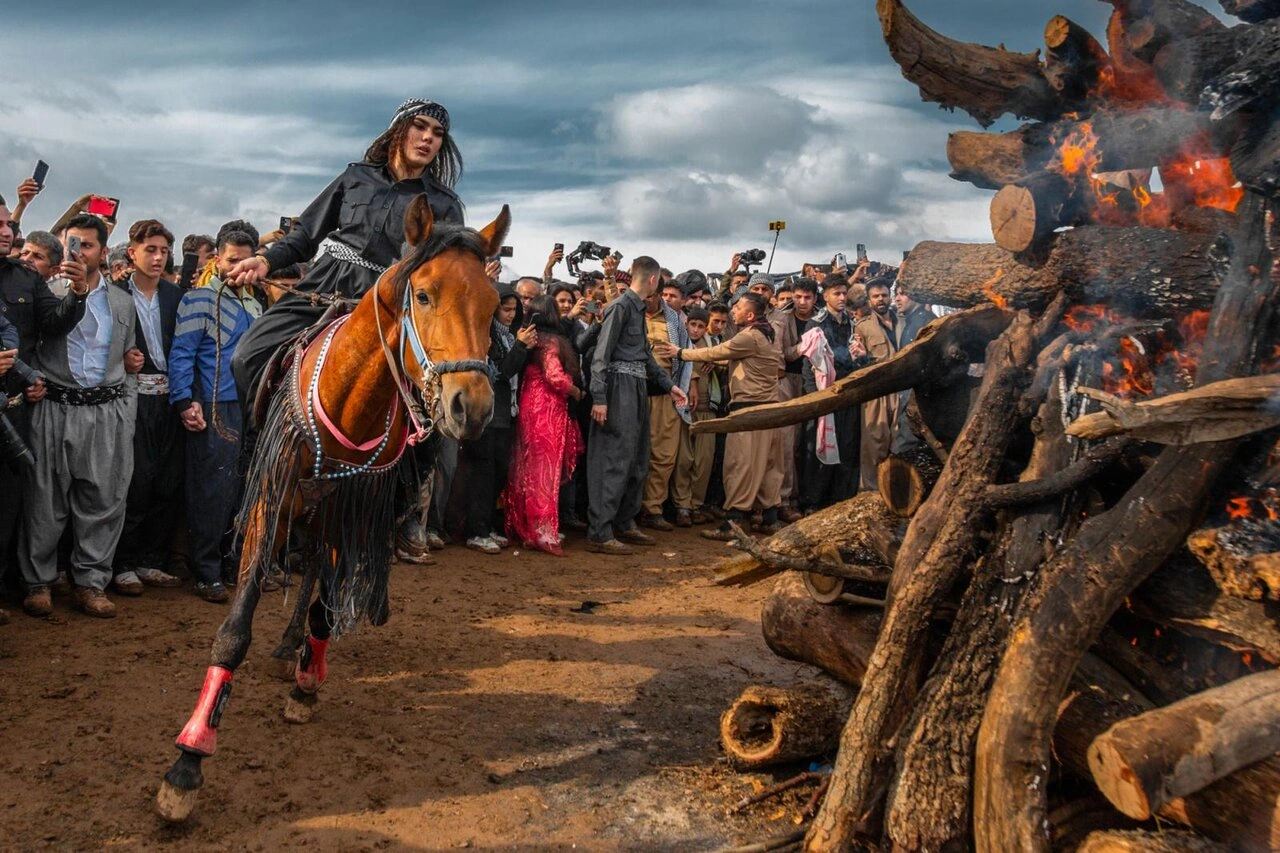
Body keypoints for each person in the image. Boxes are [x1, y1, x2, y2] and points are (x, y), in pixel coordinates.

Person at [227, 97, 465, 403]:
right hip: (326, 282)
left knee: (428, 398)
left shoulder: (444, 204)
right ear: (397, 130)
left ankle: (431, 450)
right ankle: (261, 442)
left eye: (437, 133)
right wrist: (264, 260)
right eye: (419, 126)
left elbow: (448, 275)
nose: (428, 137)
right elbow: (305, 234)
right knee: (246, 357)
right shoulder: (355, 177)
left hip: (391, 301)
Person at [19, 215, 144, 619]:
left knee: (104, 501)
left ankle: (91, 583)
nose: (78, 252)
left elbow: (129, 362)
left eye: (87, 245)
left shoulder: (123, 301)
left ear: (103, 252)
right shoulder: (46, 294)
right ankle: (38, 583)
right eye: (71, 243)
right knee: (44, 501)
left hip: (107, 414)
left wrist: (125, 414)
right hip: (54, 410)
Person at [168, 228, 264, 603]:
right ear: (217, 261)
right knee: (212, 491)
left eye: (245, 261)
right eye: (231, 260)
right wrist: (183, 400)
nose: (238, 267)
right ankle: (205, 570)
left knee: (243, 490)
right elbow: (182, 354)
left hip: (250, 406)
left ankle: (230, 563)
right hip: (213, 406)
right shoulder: (198, 300)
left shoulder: (256, 305)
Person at [655, 292, 783, 541]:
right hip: (768, 409)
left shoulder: (749, 336)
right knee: (767, 466)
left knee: (740, 465)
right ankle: (770, 518)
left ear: (750, 315)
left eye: (739, 307)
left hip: (749, 410)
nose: (733, 310)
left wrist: (680, 353)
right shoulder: (768, 333)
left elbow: (716, 352)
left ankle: (733, 523)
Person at [585, 256, 687, 555]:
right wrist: (600, 398)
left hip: (637, 387)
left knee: (638, 458)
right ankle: (600, 532)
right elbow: (600, 356)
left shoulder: (637, 308)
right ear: (654, 280)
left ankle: (624, 522)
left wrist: (670, 386)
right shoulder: (620, 307)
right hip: (618, 389)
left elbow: (645, 357)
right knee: (614, 459)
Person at [114, 219, 184, 594]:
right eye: (151, 250)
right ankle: (122, 562)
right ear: (132, 252)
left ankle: (151, 560)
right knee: (135, 482)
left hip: (171, 399)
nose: (158, 258)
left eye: (163, 251)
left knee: (167, 481)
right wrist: (121, 360)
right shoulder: (114, 295)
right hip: (131, 399)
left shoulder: (176, 296)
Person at [503, 295, 584, 556]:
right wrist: (576, 392)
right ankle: (543, 532)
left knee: (525, 468)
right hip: (548, 409)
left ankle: (525, 528)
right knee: (544, 472)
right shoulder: (551, 342)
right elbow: (555, 377)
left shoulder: (529, 339)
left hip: (528, 405)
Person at [460, 283, 531, 555]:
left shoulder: (511, 337)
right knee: (482, 474)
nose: (511, 314)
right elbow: (499, 373)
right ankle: (475, 532)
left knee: (498, 473)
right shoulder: (484, 336)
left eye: (515, 309)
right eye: (506, 308)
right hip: (487, 416)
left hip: (506, 416)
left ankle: (486, 526)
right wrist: (521, 348)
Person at [638, 287, 691, 531]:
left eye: (652, 295)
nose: (647, 299)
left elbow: (685, 357)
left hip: (666, 393)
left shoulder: (676, 323)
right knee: (632, 452)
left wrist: (692, 385)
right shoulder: (629, 315)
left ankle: (653, 509)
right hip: (633, 391)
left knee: (663, 454)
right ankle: (628, 510)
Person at [671, 306, 719, 525]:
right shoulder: (678, 344)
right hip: (683, 409)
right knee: (683, 460)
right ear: (686, 324)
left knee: (703, 462)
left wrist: (716, 361)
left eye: (701, 326)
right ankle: (682, 506)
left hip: (707, 409)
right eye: (693, 325)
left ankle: (696, 505)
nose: (697, 330)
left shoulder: (713, 346)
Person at [853, 277, 900, 492]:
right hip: (877, 392)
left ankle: (896, 491)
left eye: (883, 295)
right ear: (869, 300)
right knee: (874, 443)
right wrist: (862, 357)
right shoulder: (862, 327)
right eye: (875, 296)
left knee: (900, 441)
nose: (880, 300)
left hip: (903, 389)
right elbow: (857, 360)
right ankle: (869, 492)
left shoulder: (904, 321)